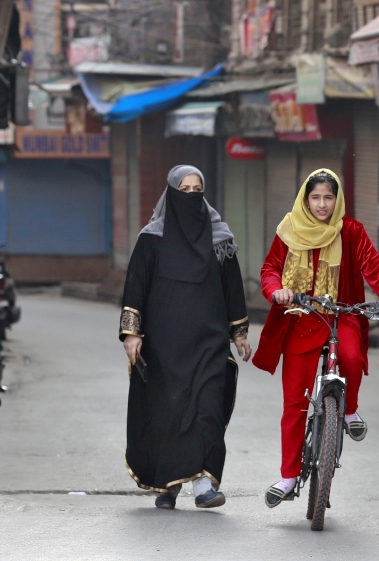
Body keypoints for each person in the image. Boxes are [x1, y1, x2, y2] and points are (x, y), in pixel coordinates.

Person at [252, 169, 379, 508]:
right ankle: (289, 476)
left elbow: (375, 267)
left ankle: (349, 411)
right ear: (305, 199)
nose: (322, 204)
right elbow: (270, 269)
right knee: (294, 403)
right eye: (315, 197)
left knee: (352, 358)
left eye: (328, 197)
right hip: (299, 317)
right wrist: (276, 290)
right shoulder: (288, 229)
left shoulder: (351, 231)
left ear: (337, 200)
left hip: (342, 315)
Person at [119, 165, 252, 510]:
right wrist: (131, 334)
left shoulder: (220, 238)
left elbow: (232, 288)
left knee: (207, 408)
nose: (191, 196)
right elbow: (136, 286)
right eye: (185, 190)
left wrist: (239, 333)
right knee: (169, 412)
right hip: (164, 343)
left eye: (198, 190)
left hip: (208, 340)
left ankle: (204, 485)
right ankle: (168, 485)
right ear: (171, 193)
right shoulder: (152, 238)